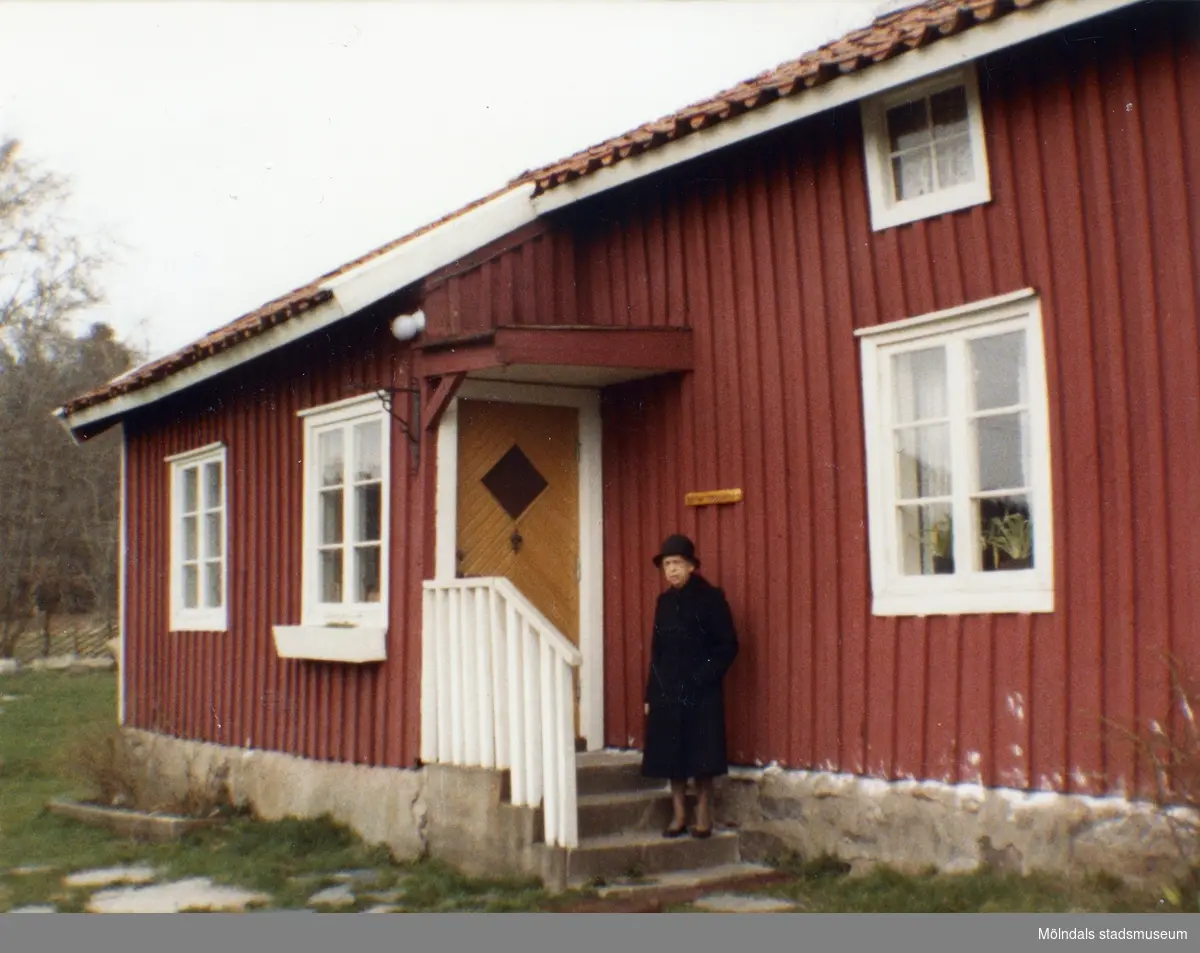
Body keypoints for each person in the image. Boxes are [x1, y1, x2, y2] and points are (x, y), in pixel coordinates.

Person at [641, 534, 739, 839]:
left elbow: (728, 646)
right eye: (667, 564)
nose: (671, 570)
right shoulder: (664, 602)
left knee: (702, 756)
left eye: (677, 563)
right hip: (668, 691)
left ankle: (703, 815)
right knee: (672, 754)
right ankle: (679, 815)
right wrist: (651, 693)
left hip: (701, 691)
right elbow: (657, 651)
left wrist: (702, 678)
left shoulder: (711, 599)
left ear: (691, 566)